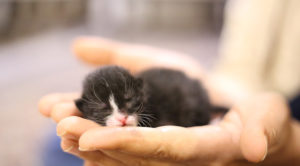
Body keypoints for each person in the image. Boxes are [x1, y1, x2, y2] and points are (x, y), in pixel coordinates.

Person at [39, 37, 300, 166]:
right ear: (85, 107)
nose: (120, 117)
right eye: (106, 110)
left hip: (195, 103)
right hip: (239, 93)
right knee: (58, 141)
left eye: (128, 104)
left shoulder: (158, 98)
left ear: (141, 93)